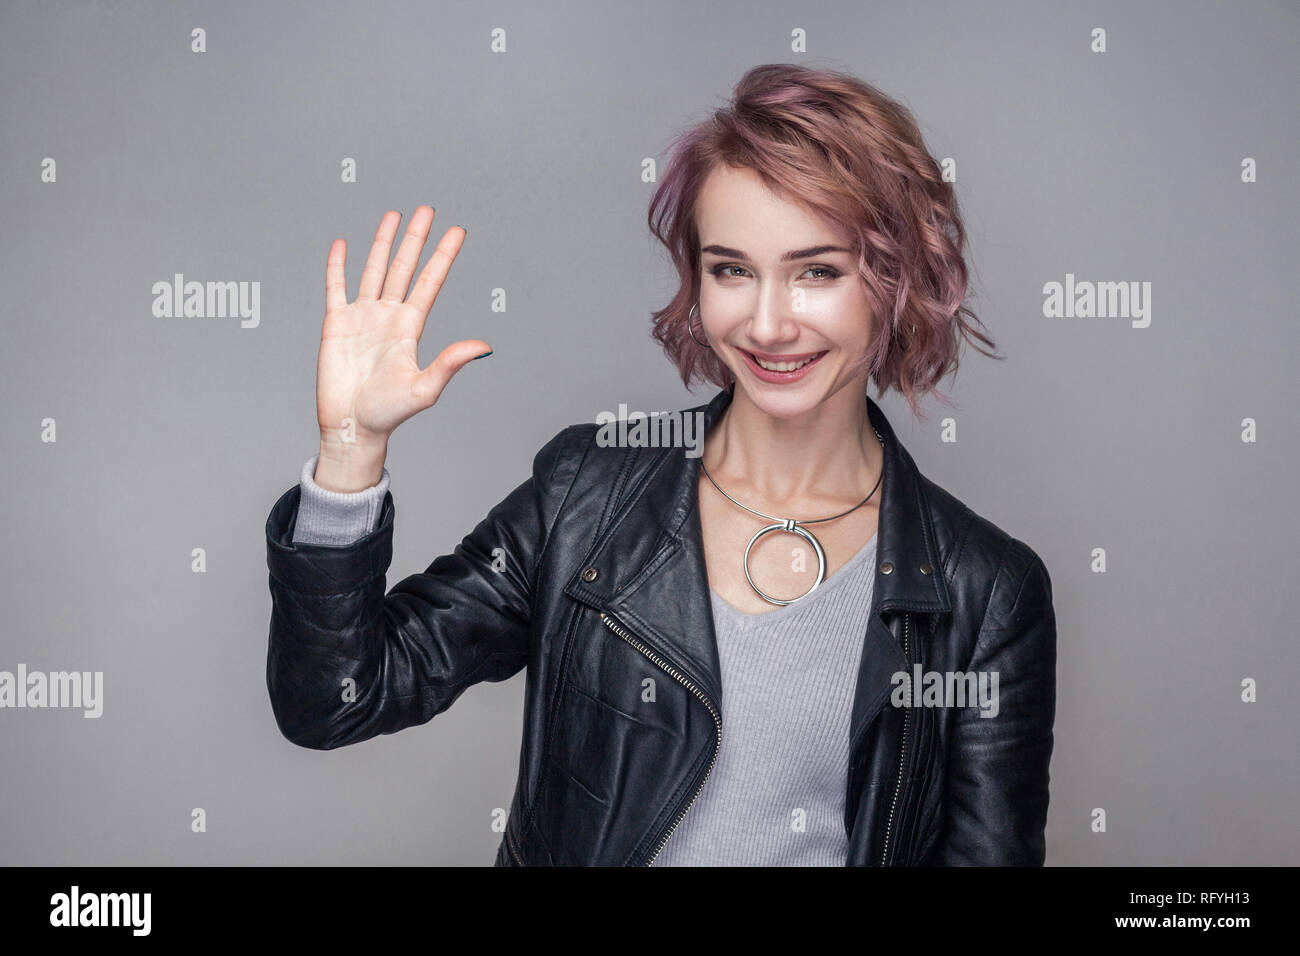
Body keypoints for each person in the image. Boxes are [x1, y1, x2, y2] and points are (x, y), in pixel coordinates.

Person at [264, 63, 1057, 866]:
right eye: (731, 270)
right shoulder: (588, 494)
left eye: (817, 271)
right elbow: (336, 703)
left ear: (894, 281)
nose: (768, 322)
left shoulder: (984, 594)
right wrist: (349, 454)